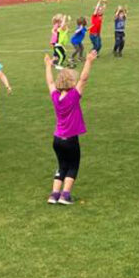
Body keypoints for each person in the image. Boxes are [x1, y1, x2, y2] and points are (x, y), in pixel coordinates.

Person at [43, 50, 97, 205]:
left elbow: (50, 82)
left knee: (61, 165)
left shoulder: (55, 96)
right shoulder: (74, 95)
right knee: (73, 165)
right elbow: (84, 79)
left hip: (57, 139)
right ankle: (65, 195)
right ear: (71, 82)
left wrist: (48, 66)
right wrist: (89, 61)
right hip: (70, 139)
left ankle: (54, 194)